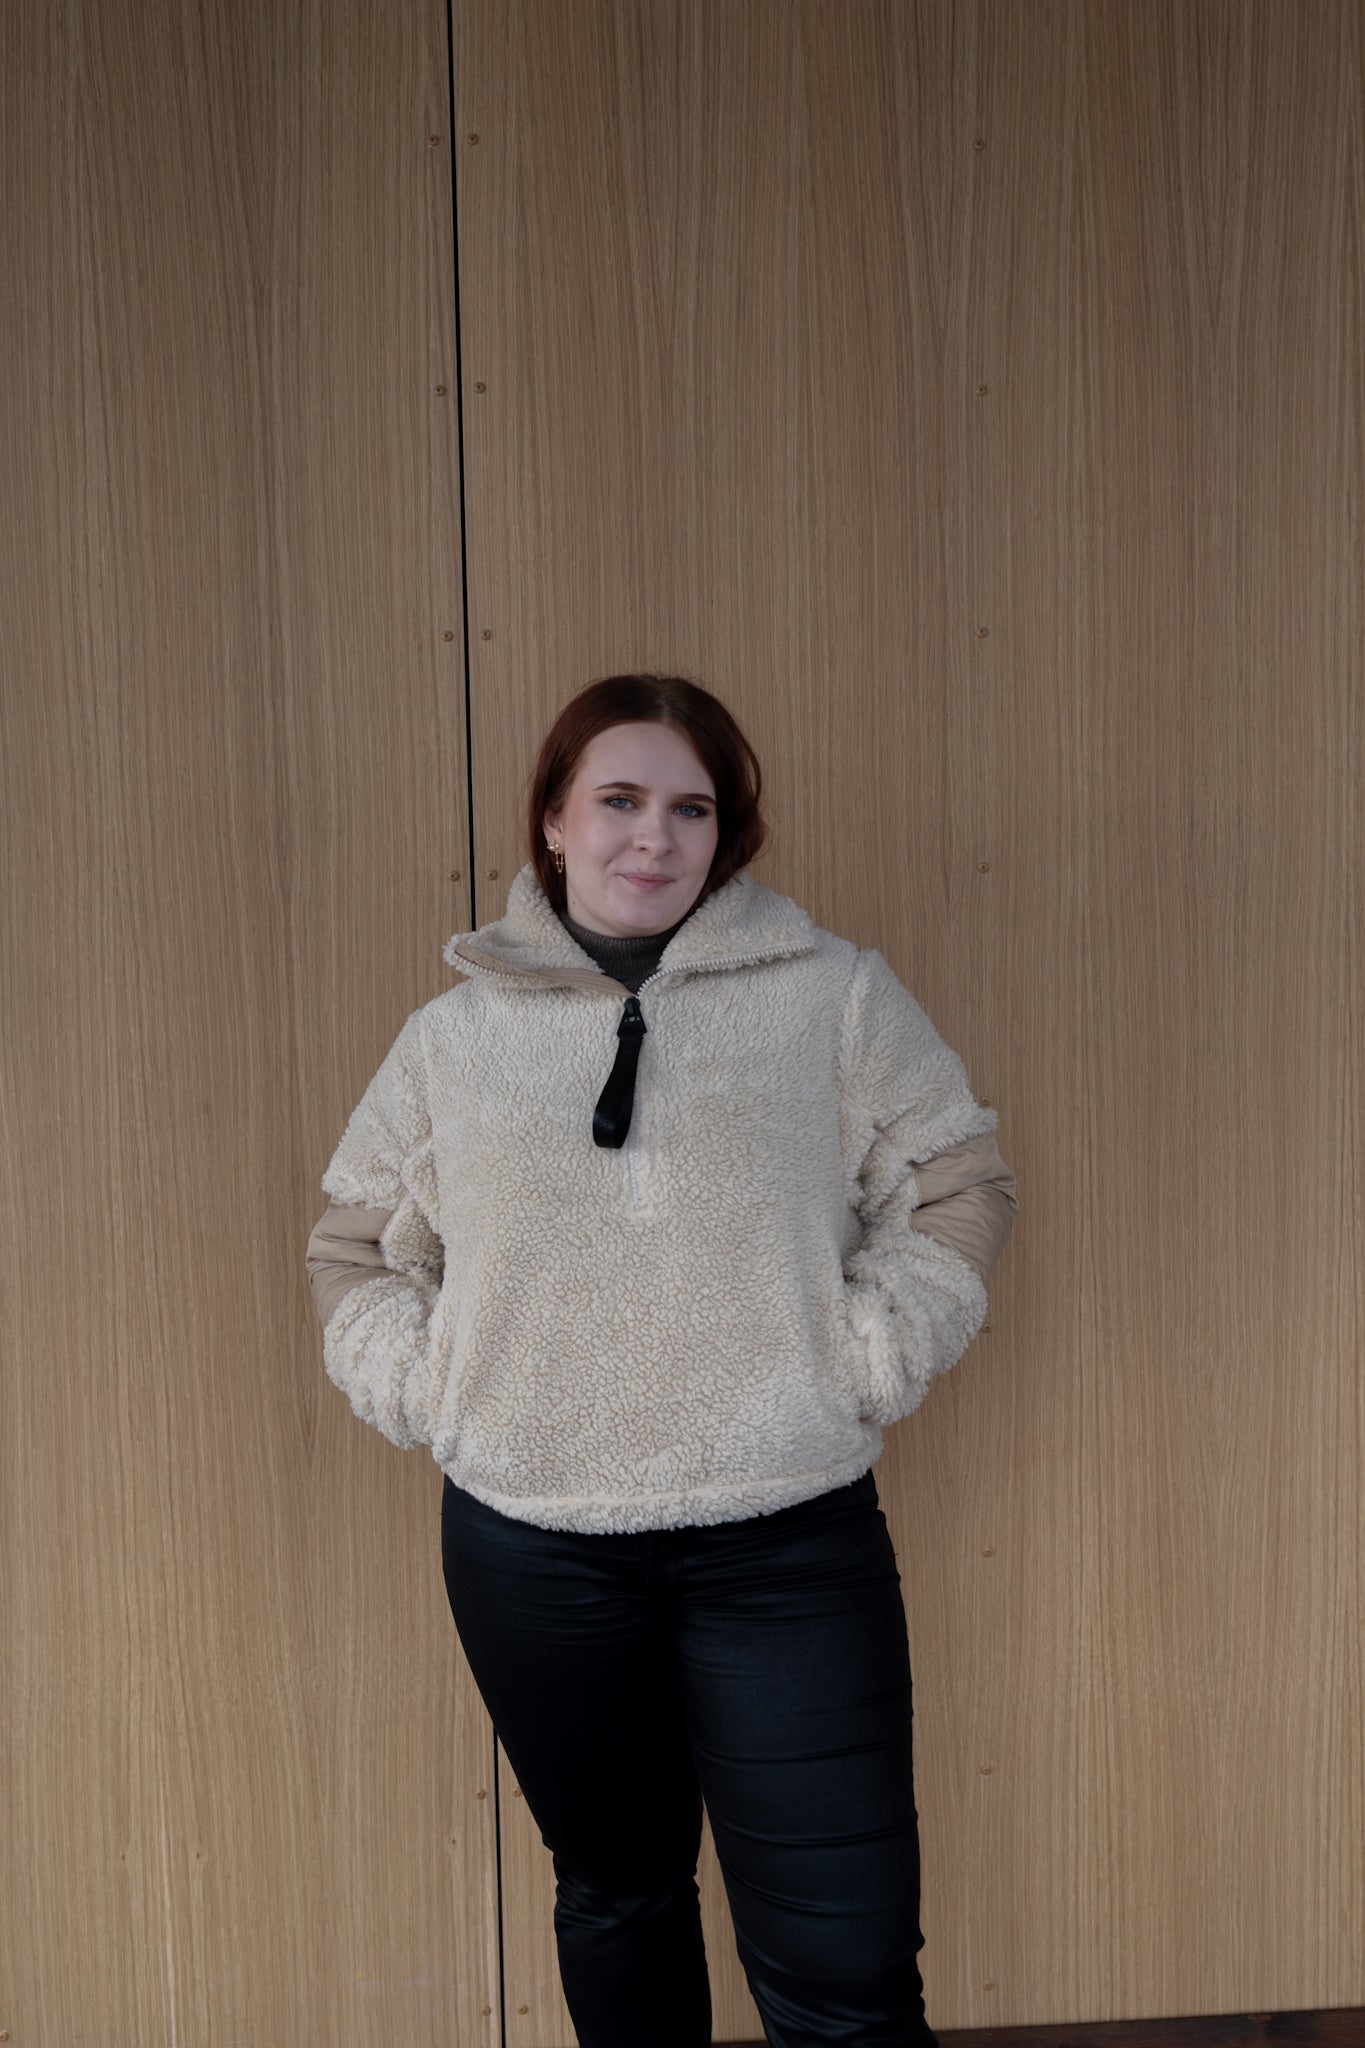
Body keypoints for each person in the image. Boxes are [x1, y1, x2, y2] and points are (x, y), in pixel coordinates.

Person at [305, 672, 1018, 2048]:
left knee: (847, 1970)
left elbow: (956, 1182)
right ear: (553, 821)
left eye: (691, 809)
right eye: (620, 800)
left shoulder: (832, 996)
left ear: (724, 832)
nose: (655, 836)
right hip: (536, 1551)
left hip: (786, 1541)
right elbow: (355, 1244)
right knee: (618, 1901)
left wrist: (866, 1354)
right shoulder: (451, 1040)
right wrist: (432, 1389)